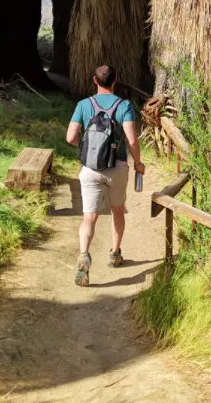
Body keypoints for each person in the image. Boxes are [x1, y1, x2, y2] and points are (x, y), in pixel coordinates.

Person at [65, 65, 145, 287]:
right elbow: (131, 140)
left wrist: (87, 147)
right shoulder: (124, 106)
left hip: (90, 169)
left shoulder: (84, 105)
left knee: (89, 216)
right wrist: (138, 163)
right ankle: (115, 253)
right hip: (116, 167)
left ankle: (83, 254)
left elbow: (70, 137)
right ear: (115, 80)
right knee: (117, 210)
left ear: (94, 80)